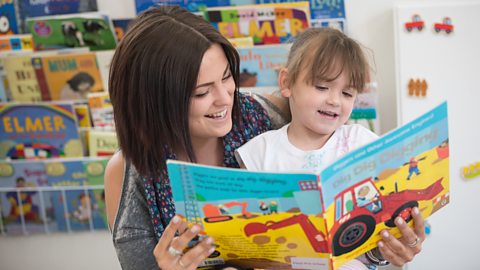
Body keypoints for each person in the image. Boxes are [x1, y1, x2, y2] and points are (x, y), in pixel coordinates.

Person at [236, 28, 425, 268]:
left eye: (347, 93)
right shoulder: (259, 152)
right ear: (287, 83)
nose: (334, 100)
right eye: (322, 87)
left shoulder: (362, 142)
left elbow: (381, 227)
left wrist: (396, 237)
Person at [104, 5, 272, 270]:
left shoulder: (264, 118)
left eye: (227, 77)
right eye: (202, 93)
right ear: (156, 102)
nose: (225, 98)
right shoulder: (127, 171)